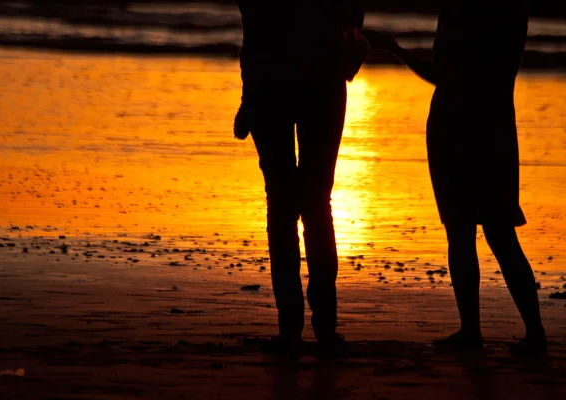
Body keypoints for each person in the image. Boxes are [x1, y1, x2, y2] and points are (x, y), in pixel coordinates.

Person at [363, 0, 546, 355]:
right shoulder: (508, 9)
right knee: (495, 233)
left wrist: (395, 49)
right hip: (491, 127)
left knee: (471, 233)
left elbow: (445, 75)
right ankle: (521, 332)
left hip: (461, 127)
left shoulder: (468, 9)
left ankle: (478, 332)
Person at [234, 1, 368, 356]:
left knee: (283, 206)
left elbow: (255, 28)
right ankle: (321, 328)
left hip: (273, 85)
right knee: (314, 205)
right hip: (319, 82)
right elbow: (353, 14)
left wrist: (249, 97)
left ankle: (292, 329)